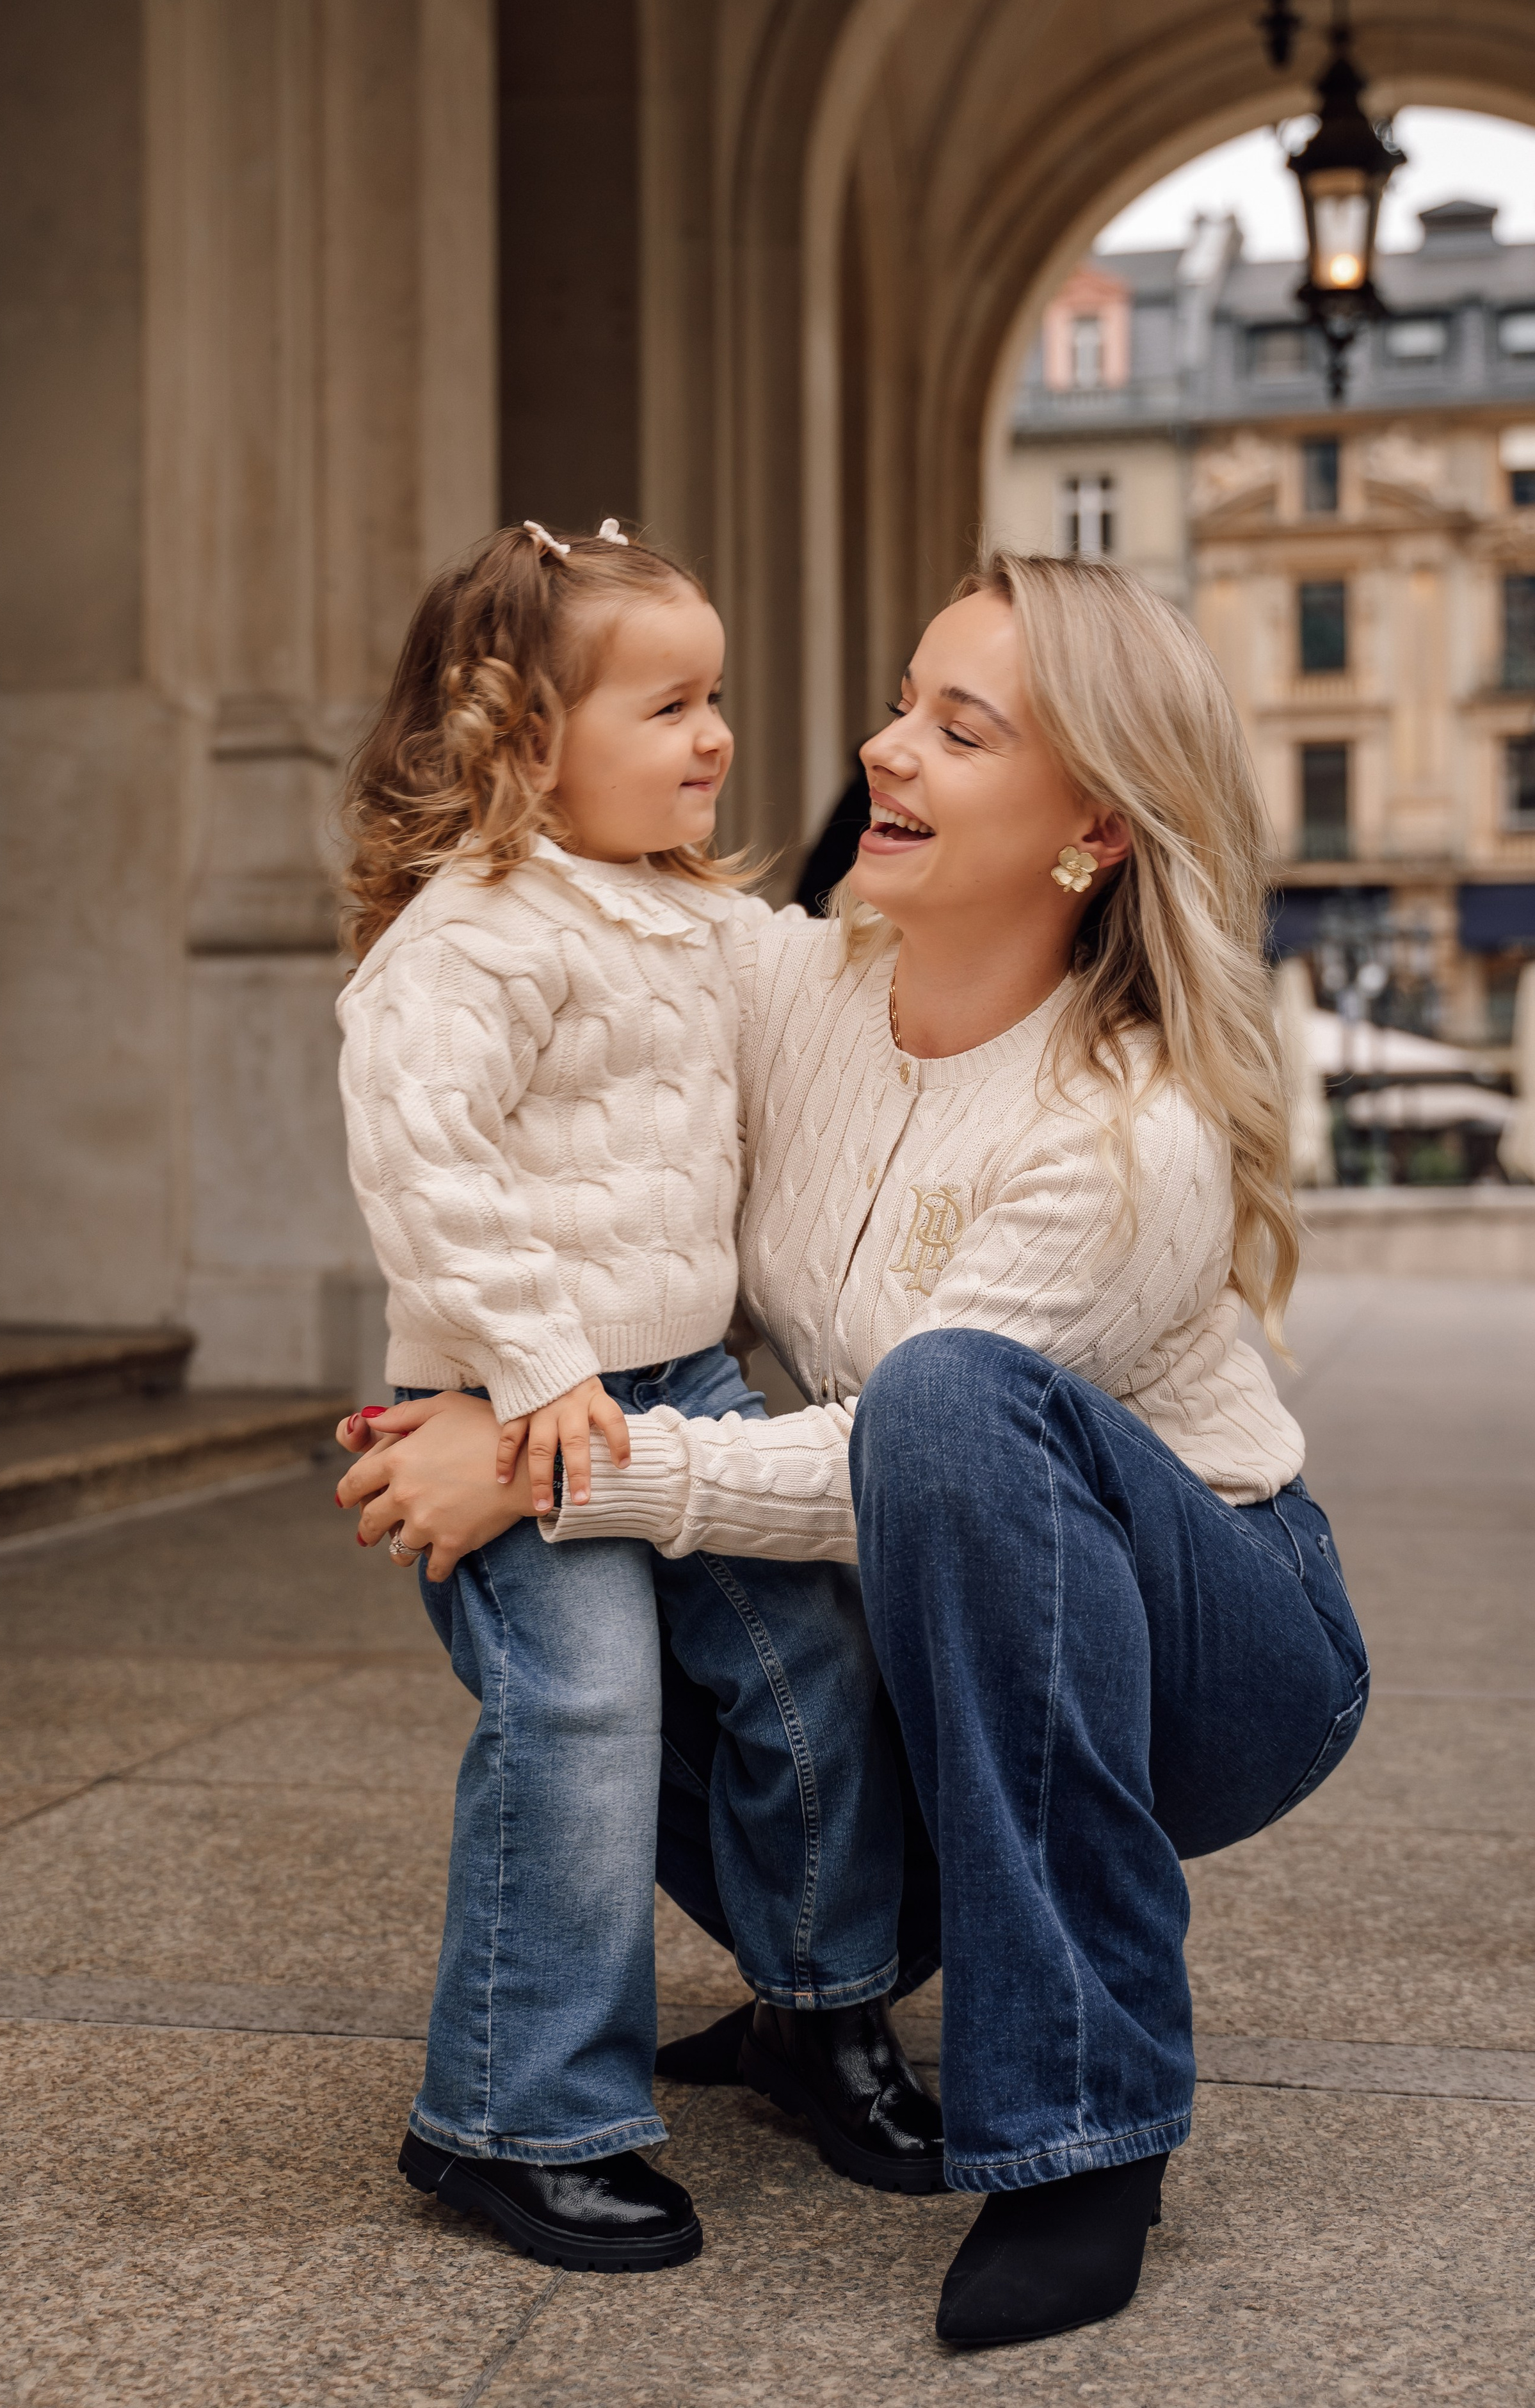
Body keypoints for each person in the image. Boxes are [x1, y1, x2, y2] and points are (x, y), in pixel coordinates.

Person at [339, 549, 1368, 2347]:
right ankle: (827, 1997)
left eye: (957, 731)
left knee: (941, 1402)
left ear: (1094, 829)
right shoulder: (775, 984)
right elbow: (549, 992)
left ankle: (1086, 2135)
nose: (882, 751)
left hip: (1211, 1639)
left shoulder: (1123, 1129)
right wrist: (491, 1368)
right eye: (904, 703)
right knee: (604, 1662)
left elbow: (882, 1468)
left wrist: (540, 1459)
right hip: (933, 1609)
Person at [332, 518, 942, 2279]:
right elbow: (425, 1162)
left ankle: (821, 2010)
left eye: (718, 696)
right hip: (512, 1399)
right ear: (522, 742)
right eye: (669, 703)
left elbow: (836, 980)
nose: (717, 734)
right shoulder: (478, 937)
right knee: (584, 1714)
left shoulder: (695, 918)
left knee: (809, 1662)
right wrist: (536, 1366)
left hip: (675, 1377)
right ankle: (513, 2116)